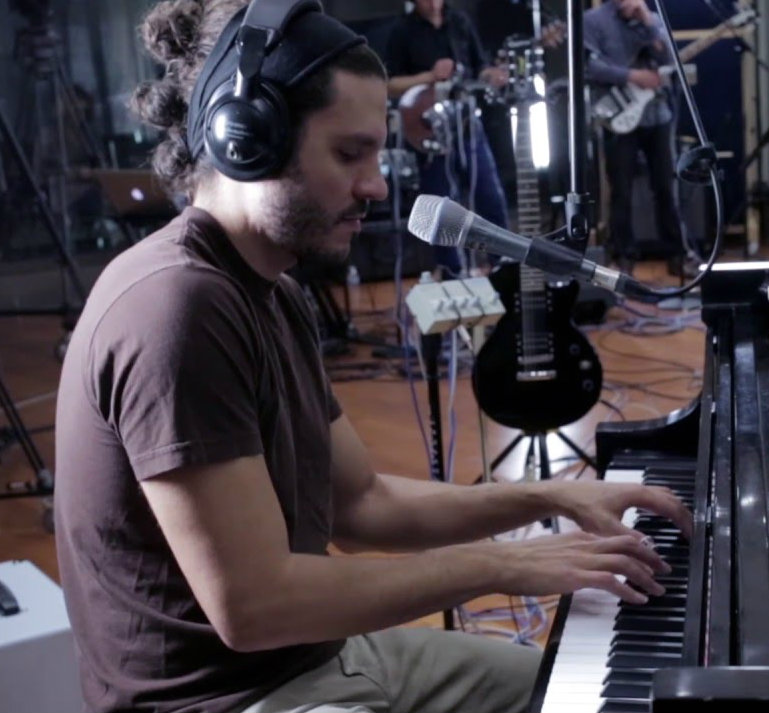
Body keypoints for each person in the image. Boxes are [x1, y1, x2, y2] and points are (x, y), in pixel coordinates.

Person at [53, 1, 692, 713]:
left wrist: (553, 497)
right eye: (349, 154)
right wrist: (508, 561)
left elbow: (360, 502)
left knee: (589, 700)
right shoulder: (175, 307)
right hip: (224, 700)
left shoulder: (272, 290)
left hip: (321, 656)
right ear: (247, 141)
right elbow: (254, 605)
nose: (378, 185)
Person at [385, 0, 510, 276]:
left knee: (490, 196)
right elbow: (389, 84)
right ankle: (452, 271)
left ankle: (502, 266)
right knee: (441, 204)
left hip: (465, 123)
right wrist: (429, 76)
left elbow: (480, 68)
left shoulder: (460, 23)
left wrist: (493, 75)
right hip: (427, 130)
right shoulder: (401, 30)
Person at [585, 0, 693, 276]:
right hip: (618, 113)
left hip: (656, 114)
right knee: (621, 189)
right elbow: (590, 67)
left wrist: (648, 22)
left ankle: (677, 254)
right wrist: (632, 76)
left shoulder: (653, 20)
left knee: (666, 187)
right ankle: (624, 256)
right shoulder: (594, 21)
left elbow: (670, 61)